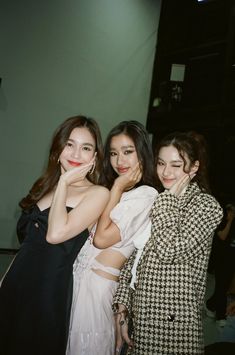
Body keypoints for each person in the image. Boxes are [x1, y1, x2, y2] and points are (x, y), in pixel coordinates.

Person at [0, 115, 109, 355]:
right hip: (15, 286)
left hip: (47, 293)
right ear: (58, 147)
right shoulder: (44, 187)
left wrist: (64, 183)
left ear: (94, 157)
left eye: (86, 148)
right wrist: (3, 282)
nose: (76, 153)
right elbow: (27, 247)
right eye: (69, 144)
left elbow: (55, 234)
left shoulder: (98, 193)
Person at [113, 131, 223, 355]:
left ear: (194, 168)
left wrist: (167, 201)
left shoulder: (207, 207)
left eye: (176, 165)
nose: (165, 172)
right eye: (161, 163)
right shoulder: (159, 198)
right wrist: (122, 303)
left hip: (172, 326)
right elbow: (135, 252)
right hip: (139, 315)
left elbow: (168, 250)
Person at [66, 120, 158, 355]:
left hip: (98, 289)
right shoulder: (109, 188)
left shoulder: (146, 195)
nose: (120, 161)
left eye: (128, 152)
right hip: (75, 281)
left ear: (142, 153)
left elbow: (101, 239)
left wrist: (117, 188)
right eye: (114, 153)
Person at [206, 203, 235, 326]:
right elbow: (222, 236)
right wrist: (230, 221)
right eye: (230, 211)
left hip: (232, 260)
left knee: (223, 287)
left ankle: (210, 305)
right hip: (221, 260)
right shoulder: (220, 222)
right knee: (221, 287)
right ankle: (221, 317)